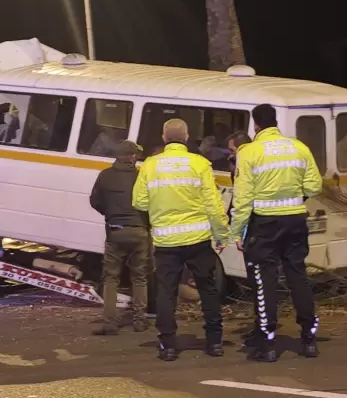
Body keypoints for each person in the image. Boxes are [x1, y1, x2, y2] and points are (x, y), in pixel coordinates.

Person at [230, 104, 324, 362]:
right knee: (298, 276)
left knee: (265, 282)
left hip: (265, 223)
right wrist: (295, 198)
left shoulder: (249, 152)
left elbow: (243, 198)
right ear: (276, 121)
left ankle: (267, 343)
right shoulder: (299, 147)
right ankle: (309, 338)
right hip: (295, 220)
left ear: (255, 125)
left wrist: (236, 232)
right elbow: (314, 186)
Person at [132, 119, 231, 361]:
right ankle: (214, 342)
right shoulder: (200, 164)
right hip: (198, 240)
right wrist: (221, 234)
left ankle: (168, 345)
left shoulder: (150, 165)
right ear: (187, 138)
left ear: (164, 138)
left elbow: (139, 202)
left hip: (166, 242)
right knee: (208, 290)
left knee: (166, 292)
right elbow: (213, 204)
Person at [88, 140, 150, 335]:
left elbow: (95, 201)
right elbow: (150, 203)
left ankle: (110, 323)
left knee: (111, 278)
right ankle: (139, 320)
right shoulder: (141, 177)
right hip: (139, 231)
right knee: (139, 277)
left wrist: (111, 214)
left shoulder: (105, 175)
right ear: (132, 157)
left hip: (115, 231)